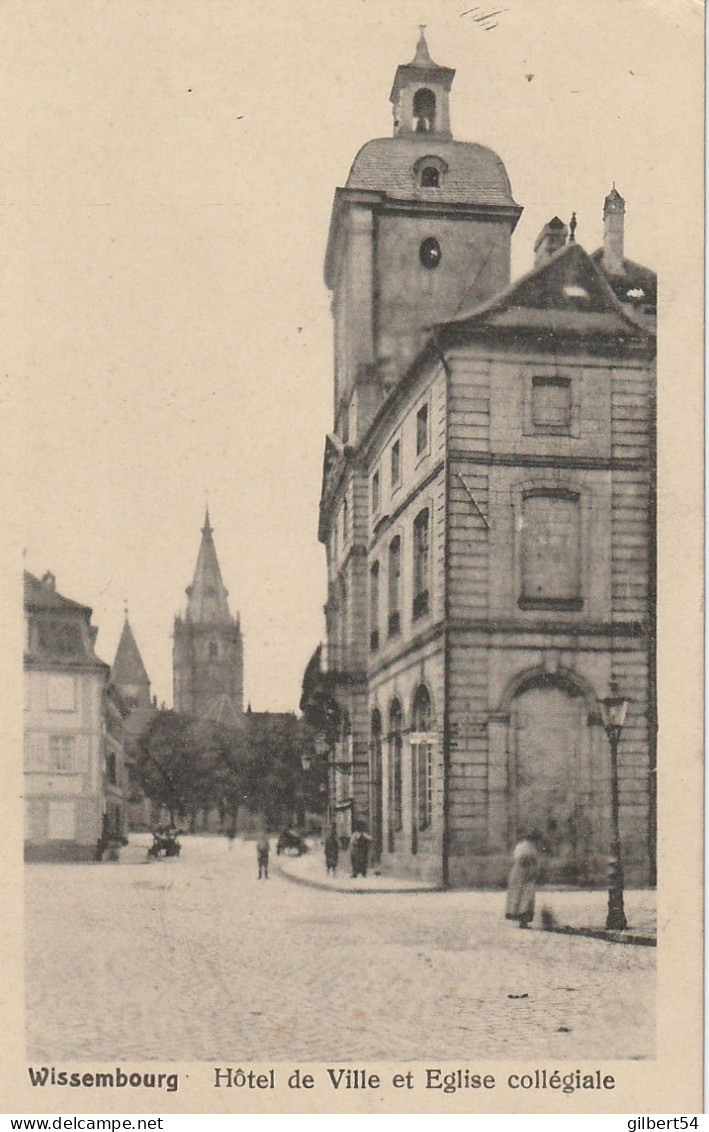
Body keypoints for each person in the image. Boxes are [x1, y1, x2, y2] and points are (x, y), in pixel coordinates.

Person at [505, 834, 541, 929]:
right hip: (524, 876)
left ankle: (521, 919)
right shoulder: (527, 848)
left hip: (521, 875)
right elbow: (525, 860)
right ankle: (523, 921)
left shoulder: (522, 847)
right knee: (525, 899)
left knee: (521, 897)